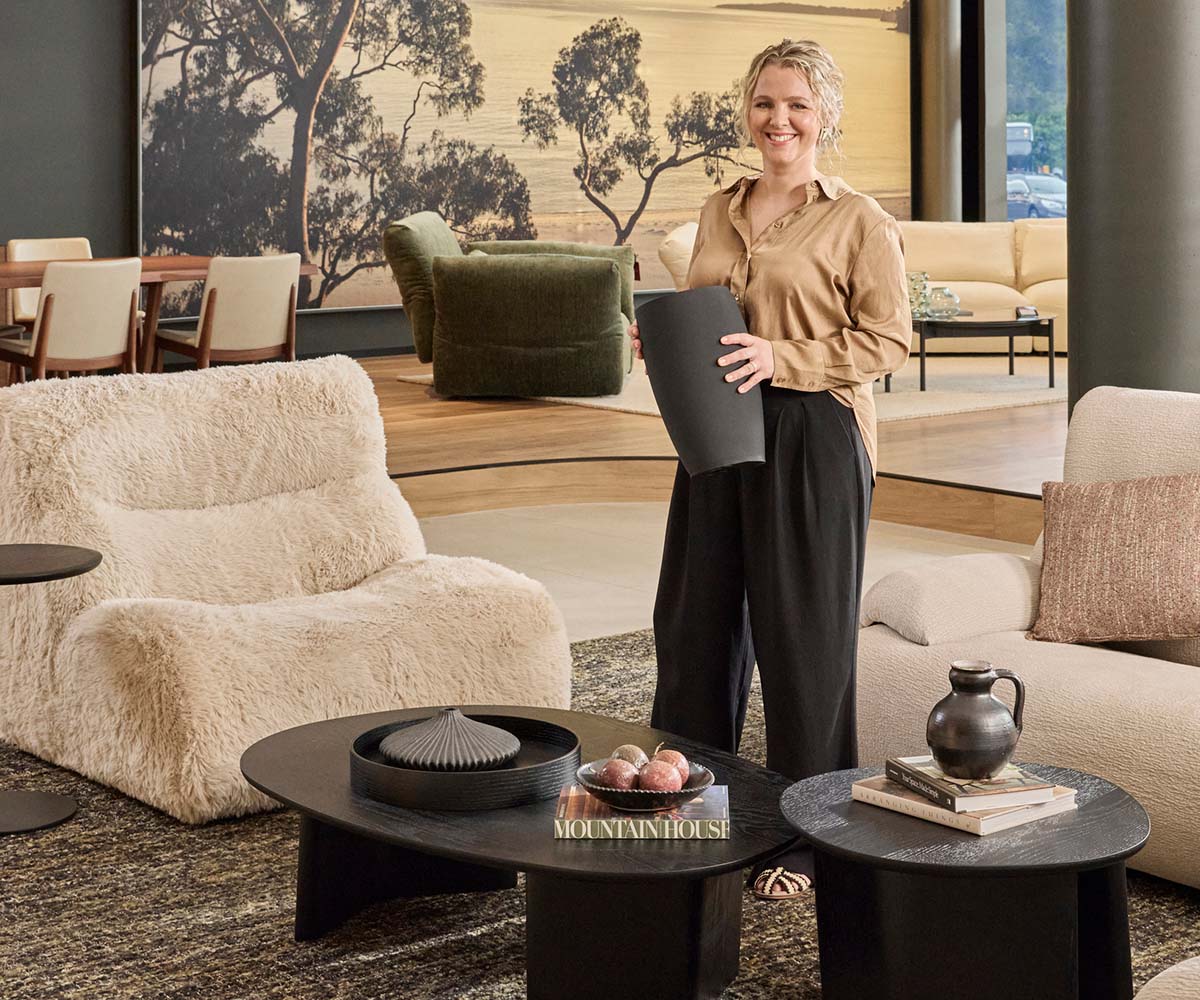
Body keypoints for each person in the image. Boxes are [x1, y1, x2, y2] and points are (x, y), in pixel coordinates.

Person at [628, 39, 911, 899]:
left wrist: (779, 356)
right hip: (718, 428)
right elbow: (716, 310)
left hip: (814, 432)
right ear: (746, 113)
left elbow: (890, 340)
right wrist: (669, 343)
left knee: (804, 641)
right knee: (694, 622)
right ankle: (687, 809)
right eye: (763, 103)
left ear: (824, 114)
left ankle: (804, 837)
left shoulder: (861, 220)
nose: (777, 120)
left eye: (795, 104)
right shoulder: (718, 208)